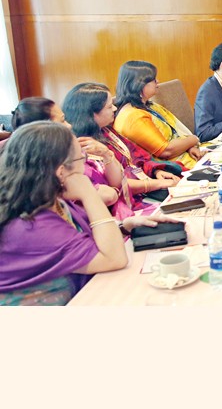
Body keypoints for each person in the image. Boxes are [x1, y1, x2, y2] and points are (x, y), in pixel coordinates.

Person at [0, 122, 175, 305]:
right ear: (61, 172)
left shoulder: (47, 198)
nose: (85, 167)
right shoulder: (31, 223)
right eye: (81, 159)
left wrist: (124, 226)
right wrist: (88, 192)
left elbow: (79, 236)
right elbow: (114, 259)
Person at [6, 96, 131, 218]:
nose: (69, 125)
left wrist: (106, 154)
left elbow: (115, 184)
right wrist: (114, 191)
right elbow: (107, 195)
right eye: (62, 121)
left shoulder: (77, 146)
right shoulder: (48, 165)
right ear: (44, 129)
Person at [63, 83, 180, 207]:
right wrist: (156, 184)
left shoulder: (105, 131)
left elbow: (136, 158)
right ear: (92, 114)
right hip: (123, 204)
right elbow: (114, 185)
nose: (114, 109)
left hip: (145, 189)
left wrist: (155, 172)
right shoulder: (83, 148)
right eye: (109, 107)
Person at [113, 60, 205, 169]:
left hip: (187, 157)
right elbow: (166, 151)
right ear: (138, 84)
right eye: (153, 79)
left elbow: (175, 135)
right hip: (171, 170)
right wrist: (193, 139)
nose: (158, 81)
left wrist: (190, 147)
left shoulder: (149, 106)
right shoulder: (133, 117)